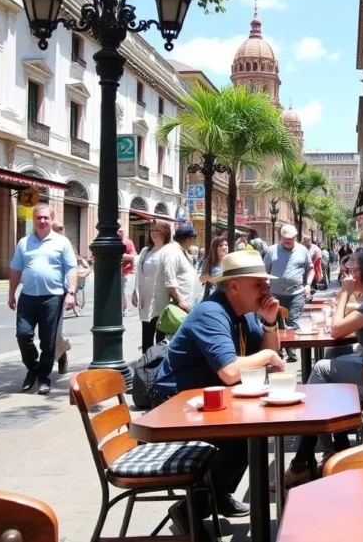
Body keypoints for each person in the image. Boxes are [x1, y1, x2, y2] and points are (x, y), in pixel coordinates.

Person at [152, 250, 286, 526]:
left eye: (266, 284)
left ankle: (216, 494)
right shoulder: (211, 312)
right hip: (174, 404)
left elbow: (266, 352)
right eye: (257, 284)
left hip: (212, 399)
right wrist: (269, 357)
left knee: (249, 435)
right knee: (240, 440)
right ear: (233, 287)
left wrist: (270, 323)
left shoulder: (245, 312)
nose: (265, 289)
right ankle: (193, 508)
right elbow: (229, 372)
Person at [280, 250, 363, 488]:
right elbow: (359, 317)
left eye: (354, 270)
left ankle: (308, 459)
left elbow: (336, 331)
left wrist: (344, 293)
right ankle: (336, 448)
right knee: (334, 355)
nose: (350, 275)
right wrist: (349, 301)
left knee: (322, 369)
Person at [8, 205, 77, 395]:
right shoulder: (24, 242)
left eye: (46, 218)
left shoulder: (62, 242)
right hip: (27, 297)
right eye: (39, 218)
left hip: (52, 298)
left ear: (52, 219)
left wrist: (70, 292)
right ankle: (32, 368)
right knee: (23, 335)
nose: (42, 221)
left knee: (48, 341)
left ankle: (44, 377)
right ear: (34, 219)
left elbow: (71, 268)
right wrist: (11, 293)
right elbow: (15, 269)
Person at [132, 222, 196, 350]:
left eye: (158, 231)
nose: (154, 234)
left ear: (165, 233)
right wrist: (135, 291)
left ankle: (157, 362)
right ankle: (146, 363)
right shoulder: (145, 251)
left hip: (162, 299)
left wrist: (179, 298)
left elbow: (170, 277)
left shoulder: (169, 251)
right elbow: (139, 272)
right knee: (147, 334)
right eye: (152, 231)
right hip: (146, 299)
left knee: (161, 335)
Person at [263, 224, 313, 363]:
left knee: (293, 322)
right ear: (280, 237)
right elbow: (264, 272)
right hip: (275, 294)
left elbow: (310, 269)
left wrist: (308, 284)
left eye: (290, 239)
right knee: (276, 323)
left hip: (296, 293)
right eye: (285, 239)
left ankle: (291, 351)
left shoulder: (302, 250)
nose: (288, 241)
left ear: (295, 237)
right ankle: (278, 352)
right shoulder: (272, 251)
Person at [50, 223, 73, 374]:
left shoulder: (65, 244)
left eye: (60, 228)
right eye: (55, 228)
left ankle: (62, 355)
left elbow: (72, 269)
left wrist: (70, 292)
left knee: (56, 332)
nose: (58, 231)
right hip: (36, 295)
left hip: (59, 293)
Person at [118, 227, 136, 315]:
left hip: (124, 272)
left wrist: (122, 256)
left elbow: (133, 256)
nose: (119, 233)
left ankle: (125, 308)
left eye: (121, 231)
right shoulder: (114, 241)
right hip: (114, 272)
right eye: (118, 231)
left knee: (122, 291)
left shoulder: (128, 242)